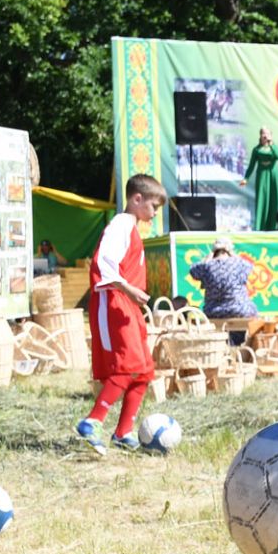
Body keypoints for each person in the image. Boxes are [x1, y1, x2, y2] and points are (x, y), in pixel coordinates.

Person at [75, 175, 164, 455]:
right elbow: (103, 263)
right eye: (153, 205)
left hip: (128, 303)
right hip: (114, 300)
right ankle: (92, 422)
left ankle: (123, 432)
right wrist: (129, 289)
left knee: (143, 370)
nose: (155, 212)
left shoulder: (132, 227)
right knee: (127, 366)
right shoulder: (120, 225)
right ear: (136, 199)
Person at [188, 237, 257, 321]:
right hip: (240, 310)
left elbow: (193, 271)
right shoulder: (239, 263)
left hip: (213, 311)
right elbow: (249, 266)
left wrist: (207, 258)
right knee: (252, 308)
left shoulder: (207, 266)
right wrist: (233, 254)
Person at [244, 127, 278, 231]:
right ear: (260, 136)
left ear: (271, 135)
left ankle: (275, 226)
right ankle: (261, 226)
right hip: (262, 176)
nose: (265, 136)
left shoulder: (274, 147)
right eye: (263, 134)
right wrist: (246, 178)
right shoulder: (256, 149)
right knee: (262, 199)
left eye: (267, 134)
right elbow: (251, 165)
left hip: (273, 176)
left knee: (274, 200)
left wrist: (271, 144)